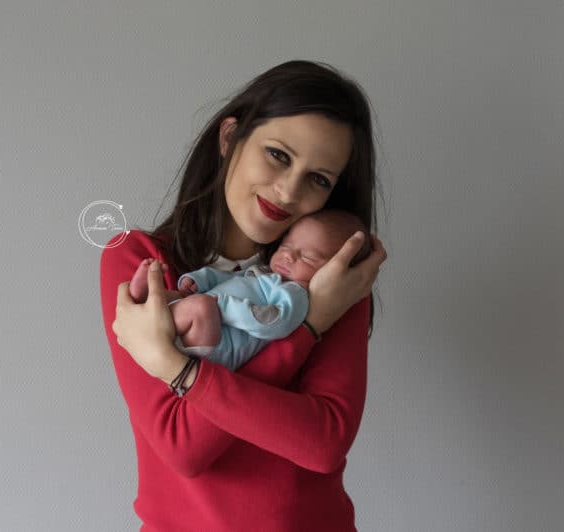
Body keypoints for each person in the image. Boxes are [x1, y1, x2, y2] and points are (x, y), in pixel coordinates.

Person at [100, 60, 387, 531]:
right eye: (278, 154)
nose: (288, 190)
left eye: (319, 179)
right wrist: (309, 326)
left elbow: (323, 443)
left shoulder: (333, 277)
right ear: (230, 137)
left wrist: (178, 370)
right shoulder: (143, 262)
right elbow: (183, 448)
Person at [127, 209, 372, 372]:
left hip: (219, 348)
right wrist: (198, 281)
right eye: (286, 245)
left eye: (307, 257)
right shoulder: (264, 273)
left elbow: (273, 322)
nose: (287, 255)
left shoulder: (295, 294)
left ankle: (148, 306)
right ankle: (146, 297)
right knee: (183, 298)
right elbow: (225, 278)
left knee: (198, 306)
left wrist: (220, 305)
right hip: (205, 322)